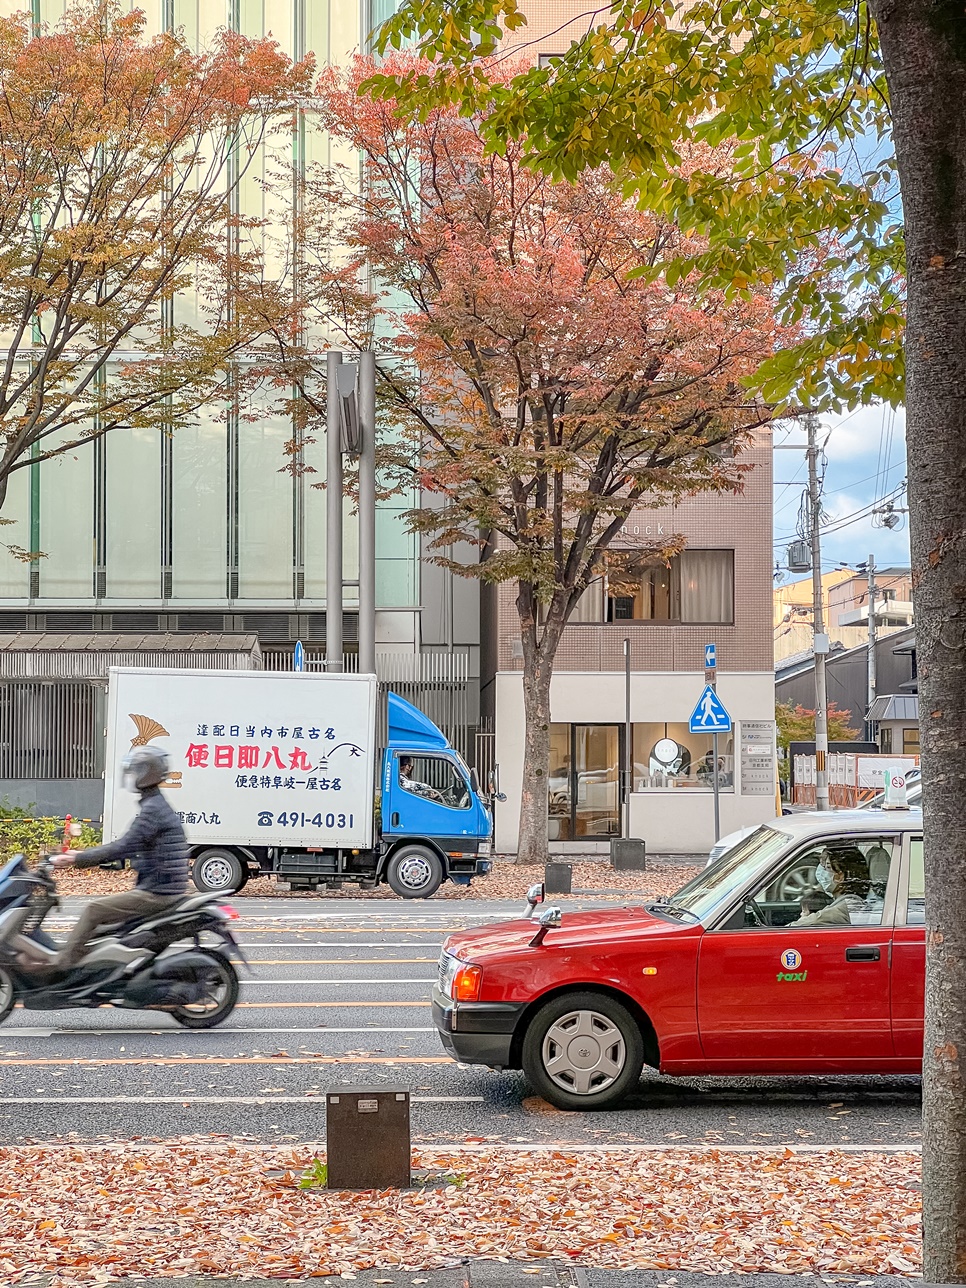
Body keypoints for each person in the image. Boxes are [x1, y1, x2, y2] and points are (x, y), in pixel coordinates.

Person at [45, 744, 189, 972]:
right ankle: (90, 972)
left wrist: (76, 858)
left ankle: (60, 966)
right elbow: (132, 848)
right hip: (161, 887)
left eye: (136, 770)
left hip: (157, 893)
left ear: (145, 773)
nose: (132, 776)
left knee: (94, 910)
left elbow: (123, 846)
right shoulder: (155, 805)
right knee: (103, 929)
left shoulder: (153, 810)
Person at [791, 847, 872, 927]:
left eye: (828, 867)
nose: (823, 872)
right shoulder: (842, 902)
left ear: (841, 876)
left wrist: (801, 921)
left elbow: (814, 920)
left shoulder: (849, 907)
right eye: (823, 866)